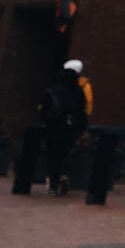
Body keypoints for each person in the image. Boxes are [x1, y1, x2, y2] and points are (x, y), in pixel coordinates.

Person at [39, 60, 90, 196]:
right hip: (70, 129)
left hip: (53, 128)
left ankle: (51, 185)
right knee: (64, 154)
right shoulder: (78, 92)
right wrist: (81, 128)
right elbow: (82, 111)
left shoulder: (52, 90)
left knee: (52, 155)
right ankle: (62, 175)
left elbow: (44, 109)